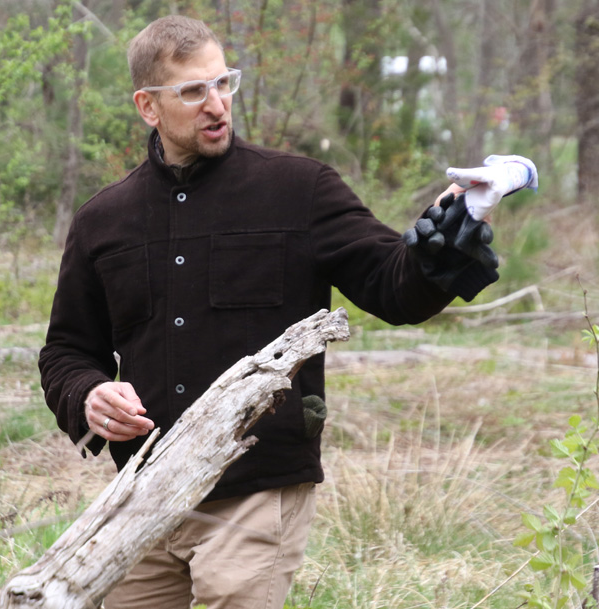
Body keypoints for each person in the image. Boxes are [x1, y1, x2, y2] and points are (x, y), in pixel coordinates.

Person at [38, 15, 534, 609]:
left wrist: (445, 243)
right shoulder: (103, 220)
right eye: (193, 91)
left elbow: (391, 289)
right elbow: (66, 351)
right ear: (148, 106)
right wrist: (90, 394)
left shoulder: (300, 189)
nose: (216, 104)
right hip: (143, 496)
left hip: (256, 490)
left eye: (224, 83)